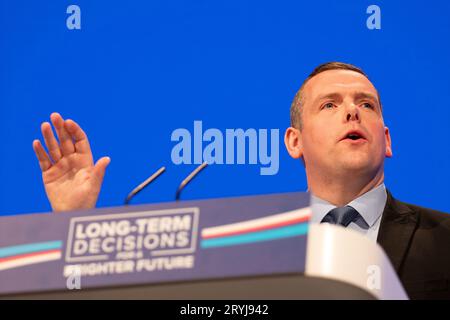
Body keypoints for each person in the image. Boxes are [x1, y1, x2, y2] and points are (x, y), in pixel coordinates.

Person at [33, 62, 450, 299]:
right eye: (329, 104)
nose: (352, 113)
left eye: (366, 105)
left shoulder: (444, 239)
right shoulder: (245, 248)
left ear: (387, 139)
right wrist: (72, 224)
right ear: (294, 142)